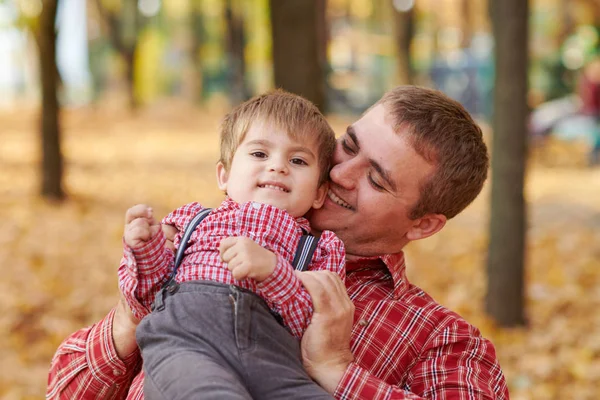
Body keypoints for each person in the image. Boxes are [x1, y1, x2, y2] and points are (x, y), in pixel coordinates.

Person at [47, 85, 510, 399]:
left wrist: (337, 371)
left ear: (424, 225)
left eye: (375, 178)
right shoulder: (205, 239)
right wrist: (134, 316)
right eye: (348, 146)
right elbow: (63, 388)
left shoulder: (442, 340)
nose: (340, 174)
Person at [121, 90, 344, 399]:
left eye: (297, 160)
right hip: (188, 344)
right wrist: (144, 249)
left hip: (275, 362)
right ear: (224, 175)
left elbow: (314, 327)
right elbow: (150, 294)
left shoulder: (321, 248)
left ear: (319, 193)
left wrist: (274, 271)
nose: (278, 166)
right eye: (259, 154)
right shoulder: (191, 219)